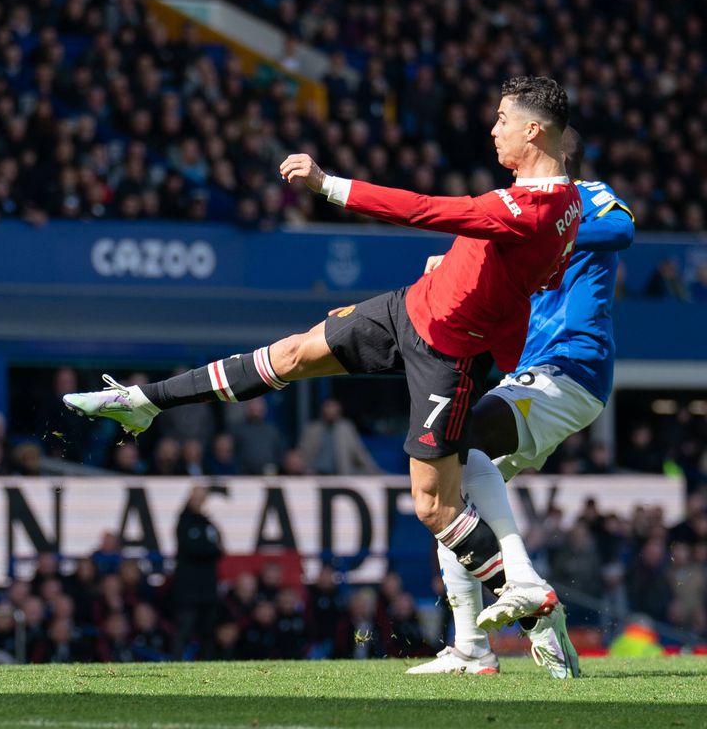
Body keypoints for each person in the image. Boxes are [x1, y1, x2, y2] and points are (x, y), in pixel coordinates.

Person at [64, 76, 581, 628]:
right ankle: (145, 401)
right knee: (289, 355)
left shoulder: (527, 209)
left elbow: (422, 208)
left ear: (534, 129)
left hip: (448, 356)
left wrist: (326, 183)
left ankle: (528, 600)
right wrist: (455, 270)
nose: (494, 127)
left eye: (503, 118)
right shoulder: (568, 202)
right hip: (411, 308)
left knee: (434, 507)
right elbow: (528, 277)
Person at [407, 127, 633, 679]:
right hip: (530, 373)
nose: (500, 147)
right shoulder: (518, 210)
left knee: (457, 442)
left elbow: (624, 228)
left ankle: (524, 584)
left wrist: (547, 238)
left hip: (569, 368)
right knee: (447, 491)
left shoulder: (590, 196)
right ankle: (478, 647)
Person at [171, 486, 223, 660]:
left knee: (208, 631)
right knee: (185, 628)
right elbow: (192, 548)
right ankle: (177, 662)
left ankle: (206, 665)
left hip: (207, 587)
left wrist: (208, 549)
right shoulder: (184, 522)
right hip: (188, 588)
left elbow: (218, 548)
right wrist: (209, 550)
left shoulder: (208, 523)